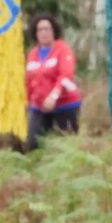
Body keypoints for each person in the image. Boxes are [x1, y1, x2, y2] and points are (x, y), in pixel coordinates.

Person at [24, 13, 81, 143]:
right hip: (39, 107)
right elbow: (28, 80)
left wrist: (53, 96)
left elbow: (66, 75)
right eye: (40, 30)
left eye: (47, 29)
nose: (43, 33)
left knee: (65, 146)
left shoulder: (63, 49)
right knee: (33, 143)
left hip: (65, 105)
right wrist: (27, 101)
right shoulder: (33, 53)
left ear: (53, 31)